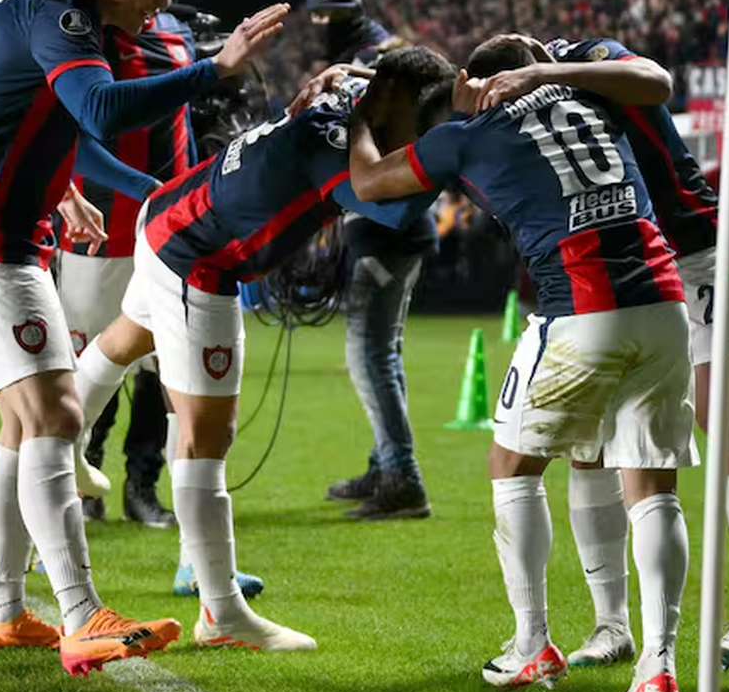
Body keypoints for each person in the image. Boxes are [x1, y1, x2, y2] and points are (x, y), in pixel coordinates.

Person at [0, 0, 288, 674]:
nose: (164, 4)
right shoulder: (62, 14)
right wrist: (212, 73)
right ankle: (82, 614)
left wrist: (73, 186)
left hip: (5, 232)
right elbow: (98, 107)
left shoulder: (59, 10)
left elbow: (46, 118)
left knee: (25, 426)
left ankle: (3, 609)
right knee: (54, 412)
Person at [347, 37, 692, 692]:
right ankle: (660, 663)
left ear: (478, 80)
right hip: (665, 301)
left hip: (584, 307)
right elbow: (656, 79)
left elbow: (368, 183)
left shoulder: (465, 136)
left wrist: (355, 112)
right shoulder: (591, 95)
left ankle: (533, 639)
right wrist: (552, 70)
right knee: (651, 486)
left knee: (512, 464)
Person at [69, 49, 451, 653]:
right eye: (427, 121)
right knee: (206, 434)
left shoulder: (348, 100)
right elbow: (395, 203)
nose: (429, 135)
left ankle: (60, 449)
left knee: (121, 341)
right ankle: (220, 611)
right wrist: (458, 153)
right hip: (198, 258)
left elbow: (374, 91)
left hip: (169, 216)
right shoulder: (341, 139)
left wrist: (354, 81)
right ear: (397, 107)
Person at [483, 36, 729, 673]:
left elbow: (654, 79)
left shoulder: (587, 55)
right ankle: (611, 624)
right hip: (618, 275)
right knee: (588, 446)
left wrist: (544, 69)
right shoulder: (517, 111)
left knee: (727, 420)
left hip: (692, 250)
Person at [55, 6, 267, 601]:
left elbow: (181, 125)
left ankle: (187, 552)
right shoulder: (81, 32)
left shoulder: (174, 32)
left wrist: (194, 188)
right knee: (79, 376)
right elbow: (67, 130)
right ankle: (56, 523)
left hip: (172, 236)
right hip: (101, 234)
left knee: (179, 390)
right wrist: (143, 189)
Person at [305, 0, 435, 521]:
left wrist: (346, 78)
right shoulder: (370, 49)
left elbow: (419, 81)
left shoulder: (378, 55)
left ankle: (403, 477)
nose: (320, 26)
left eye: (325, 17)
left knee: (369, 356)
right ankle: (385, 463)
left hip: (390, 227)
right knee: (386, 352)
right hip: (389, 224)